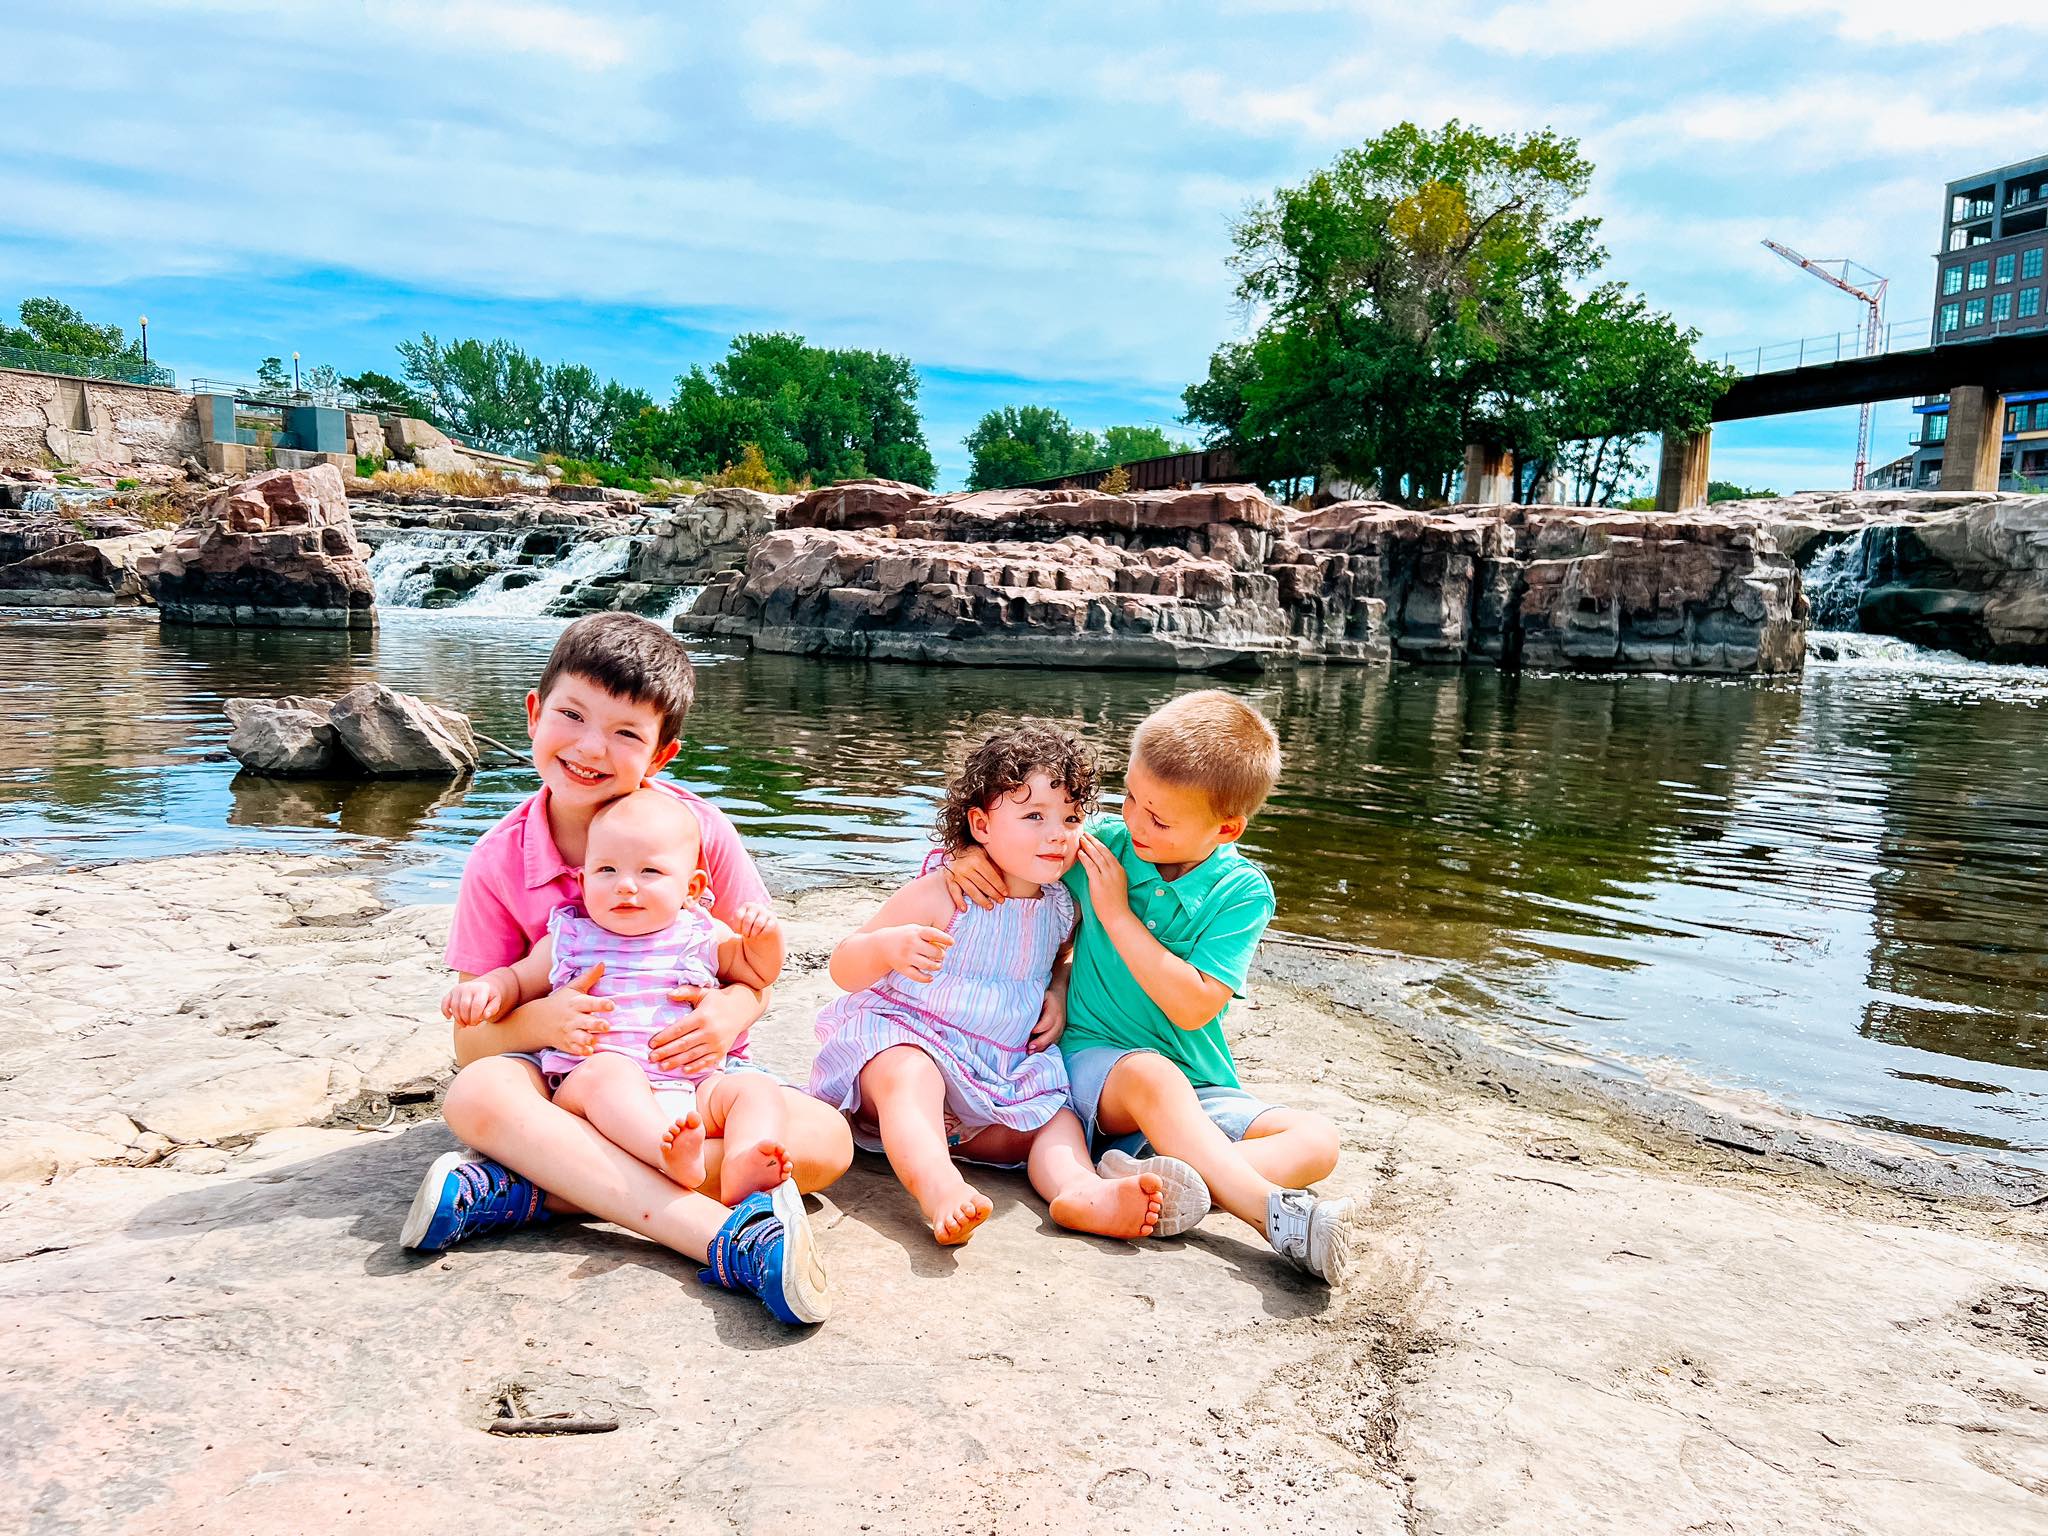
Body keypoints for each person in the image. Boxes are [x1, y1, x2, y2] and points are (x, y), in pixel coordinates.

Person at [400, 612, 851, 1326]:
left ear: (661, 755)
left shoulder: (700, 835)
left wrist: (731, 1011)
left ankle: (527, 1191)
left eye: (625, 734)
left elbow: (750, 972)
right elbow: (471, 1041)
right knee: (478, 1092)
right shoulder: (498, 859)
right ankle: (718, 1238)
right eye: (572, 715)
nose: (589, 747)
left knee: (826, 1140)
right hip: (566, 1089)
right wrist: (539, 1016)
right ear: (533, 711)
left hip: (688, 1090)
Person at [945, 690, 1354, 1284]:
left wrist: (1115, 915)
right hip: (1095, 1067)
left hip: (1194, 1081)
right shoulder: (1103, 845)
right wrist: (965, 856)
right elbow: (1014, 847)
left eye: (1158, 818)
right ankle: (1274, 1217)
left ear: (1226, 827)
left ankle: (1164, 1187)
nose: (1133, 820)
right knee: (1149, 1075)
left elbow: (1193, 1006)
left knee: (1318, 1141)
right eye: (1131, 797)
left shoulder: (1240, 892)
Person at [809, 720, 1175, 1247]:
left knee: (1055, 1116)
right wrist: (888, 947)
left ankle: (1079, 1191)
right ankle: (938, 1185)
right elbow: (844, 965)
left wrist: (1058, 991)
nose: (1057, 832)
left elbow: (1054, 964)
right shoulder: (945, 890)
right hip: (910, 1043)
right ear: (980, 827)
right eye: (1033, 816)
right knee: (908, 1071)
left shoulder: (1060, 906)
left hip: (994, 1076)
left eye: (1071, 817)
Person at [442, 787, 795, 1206]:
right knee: (608, 1073)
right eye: (607, 870)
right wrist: (486, 990)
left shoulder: (699, 932)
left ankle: (741, 1161)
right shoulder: (571, 937)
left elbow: (757, 972)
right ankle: (665, 1157)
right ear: (583, 880)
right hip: (592, 1089)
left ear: (692, 887)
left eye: (649, 872)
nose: (625, 886)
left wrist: (764, 938)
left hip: (692, 1086)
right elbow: (516, 980)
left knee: (755, 1090)